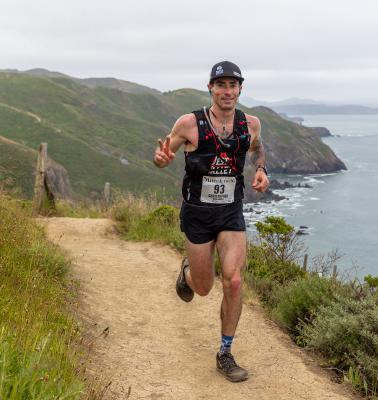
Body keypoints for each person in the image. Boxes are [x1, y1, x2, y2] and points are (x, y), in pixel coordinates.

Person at [153, 61, 269, 382]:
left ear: (241, 89)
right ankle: (188, 273)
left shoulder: (251, 124)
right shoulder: (190, 123)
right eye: (221, 85)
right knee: (203, 288)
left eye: (233, 85)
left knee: (233, 281)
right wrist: (161, 159)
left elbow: (258, 148)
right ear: (211, 88)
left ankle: (225, 353)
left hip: (231, 211)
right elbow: (165, 153)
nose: (227, 91)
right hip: (198, 214)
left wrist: (261, 169)